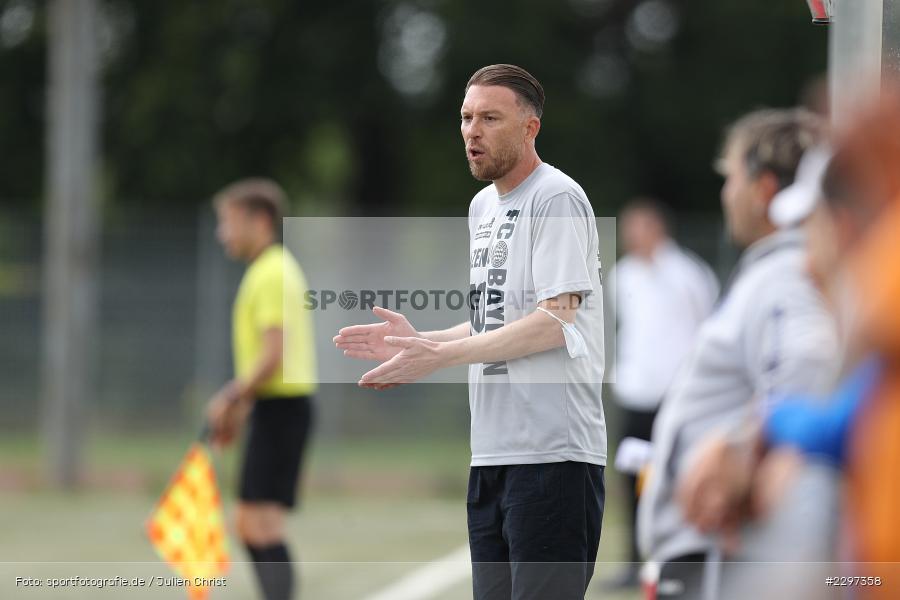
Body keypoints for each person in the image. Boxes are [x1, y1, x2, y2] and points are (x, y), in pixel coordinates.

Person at [333, 64, 606, 600]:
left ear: (530, 128)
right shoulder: (483, 206)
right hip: (492, 454)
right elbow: (497, 318)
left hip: (552, 456)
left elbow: (554, 321)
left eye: (490, 118)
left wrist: (442, 356)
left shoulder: (556, 198)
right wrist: (424, 342)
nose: (471, 131)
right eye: (465, 117)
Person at [637, 108, 841, 598]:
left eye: (730, 178)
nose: (726, 194)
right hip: (715, 553)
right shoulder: (777, 272)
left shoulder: (785, 275)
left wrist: (747, 449)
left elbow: (808, 369)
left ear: (764, 189)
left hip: (724, 555)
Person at [206, 178, 317, 600]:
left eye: (229, 222)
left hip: (283, 409)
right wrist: (241, 409)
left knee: (260, 523)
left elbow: (273, 356)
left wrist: (230, 398)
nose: (223, 233)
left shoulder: (271, 271)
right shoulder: (270, 269)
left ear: (261, 220)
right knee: (253, 522)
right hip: (276, 409)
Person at [603, 198, 718, 589]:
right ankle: (634, 562)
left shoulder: (688, 274)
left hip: (675, 395)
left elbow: (706, 329)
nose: (632, 236)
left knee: (679, 478)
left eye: (640, 227)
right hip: (635, 393)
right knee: (631, 479)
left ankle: (681, 561)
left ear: (658, 229)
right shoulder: (622, 276)